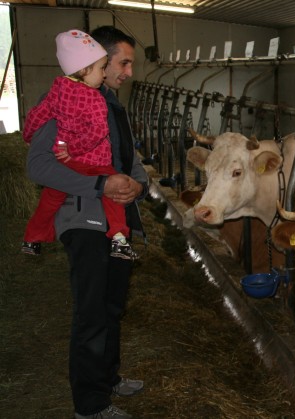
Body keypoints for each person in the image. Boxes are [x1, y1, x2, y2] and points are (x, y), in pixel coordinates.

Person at [26, 26, 148, 419]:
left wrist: (138, 187)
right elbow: (39, 164)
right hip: (83, 220)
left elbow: (129, 159)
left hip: (116, 221)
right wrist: (100, 184)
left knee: (112, 306)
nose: (129, 71)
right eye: (123, 63)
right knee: (91, 313)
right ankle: (90, 406)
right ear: (97, 61)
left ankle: (107, 379)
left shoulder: (111, 104)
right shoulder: (63, 101)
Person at [22, 29, 138, 261]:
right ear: (86, 69)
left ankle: (32, 238)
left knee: (49, 199)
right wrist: (75, 153)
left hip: (70, 163)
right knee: (112, 193)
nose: (104, 74)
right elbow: (97, 132)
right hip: (86, 199)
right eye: (104, 67)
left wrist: (28, 135)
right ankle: (119, 238)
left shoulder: (59, 92)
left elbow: (37, 116)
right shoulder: (95, 99)